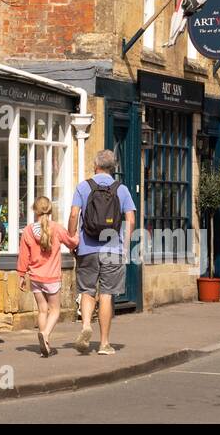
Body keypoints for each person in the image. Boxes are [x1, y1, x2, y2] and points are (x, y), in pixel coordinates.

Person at [67, 149, 136, 355]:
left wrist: (72, 241)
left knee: (87, 290)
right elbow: (130, 220)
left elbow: (73, 215)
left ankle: (86, 324)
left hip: (87, 248)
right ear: (113, 168)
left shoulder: (83, 186)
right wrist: (125, 247)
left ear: (95, 166)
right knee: (106, 295)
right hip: (113, 249)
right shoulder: (121, 189)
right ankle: (104, 343)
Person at [16, 195, 79, 357]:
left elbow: (24, 256)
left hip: (35, 277)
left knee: (42, 310)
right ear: (50, 210)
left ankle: (45, 342)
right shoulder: (56, 228)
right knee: (55, 310)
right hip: (51, 278)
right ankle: (45, 335)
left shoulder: (28, 231)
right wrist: (77, 234)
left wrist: (21, 275)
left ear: (35, 211)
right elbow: (72, 242)